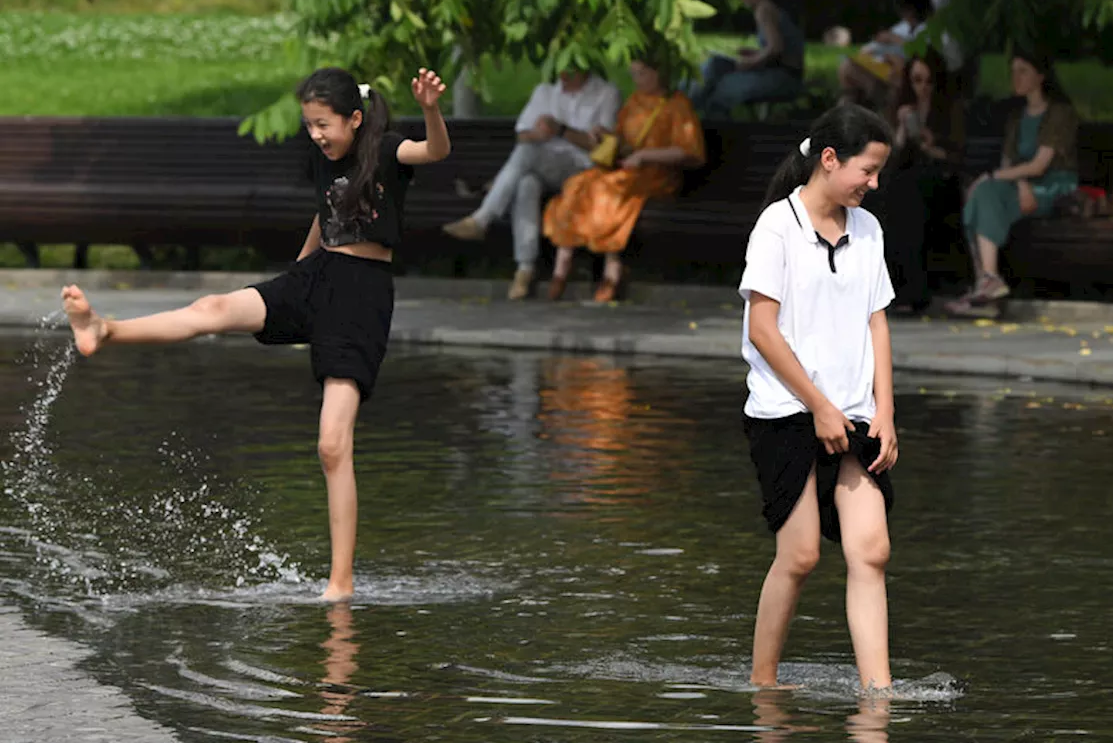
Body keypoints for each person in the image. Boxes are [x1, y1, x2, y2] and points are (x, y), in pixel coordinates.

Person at [59, 66, 452, 602]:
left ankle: (340, 583)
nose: (315, 135)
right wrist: (296, 273)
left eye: (324, 125)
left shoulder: (383, 150)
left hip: (361, 298)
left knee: (332, 445)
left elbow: (434, 152)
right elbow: (327, 212)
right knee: (215, 307)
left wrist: (431, 107)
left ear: (354, 119)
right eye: (308, 125)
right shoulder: (323, 157)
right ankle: (104, 329)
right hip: (315, 277)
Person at [738, 103, 900, 692]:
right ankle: (764, 685)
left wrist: (885, 411)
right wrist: (819, 406)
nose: (874, 184)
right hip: (786, 413)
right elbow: (762, 329)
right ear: (830, 160)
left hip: (856, 412)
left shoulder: (869, 230)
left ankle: (877, 697)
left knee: (871, 549)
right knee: (801, 554)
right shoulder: (776, 227)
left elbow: (876, 321)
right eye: (868, 170)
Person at [441, 70, 621, 300]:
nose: (563, 75)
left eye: (569, 70)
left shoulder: (605, 93)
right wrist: (540, 133)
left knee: (527, 156)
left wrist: (561, 130)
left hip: (582, 170)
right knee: (526, 184)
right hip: (541, 165)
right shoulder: (545, 92)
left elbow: (601, 146)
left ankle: (482, 219)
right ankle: (525, 270)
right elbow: (523, 135)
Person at [542, 52, 705, 303]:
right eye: (634, 74)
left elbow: (691, 153)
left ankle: (612, 271)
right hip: (627, 169)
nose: (637, 80)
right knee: (579, 184)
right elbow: (623, 143)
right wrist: (603, 135)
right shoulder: (635, 101)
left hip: (656, 175)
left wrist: (646, 155)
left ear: (658, 73)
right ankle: (562, 266)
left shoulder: (677, 105)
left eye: (641, 73)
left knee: (609, 190)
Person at [946, 49, 1078, 312]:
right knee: (982, 193)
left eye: (1023, 71)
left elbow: (1039, 165)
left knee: (985, 190)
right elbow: (1012, 164)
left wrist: (993, 176)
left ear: (1040, 76)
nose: (1015, 78)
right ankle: (988, 281)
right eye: (1013, 72)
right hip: (1026, 185)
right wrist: (1020, 184)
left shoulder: (1059, 114)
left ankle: (984, 284)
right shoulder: (1017, 118)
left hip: (1054, 185)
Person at [863, 51, 966, 312]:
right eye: (917, 80)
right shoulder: (899, 107)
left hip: (940, 180)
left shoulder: (949, 110)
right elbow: (888, 157)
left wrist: (932, 145)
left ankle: (912, 291)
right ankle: (892, 288)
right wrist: (900, 129)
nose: (923, 87)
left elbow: (956, 157)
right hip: (905, 178)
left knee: (907, 194)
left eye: (929, 81)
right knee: (889, 194)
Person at [689, 0, 806, 120]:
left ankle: (691, 111)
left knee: (722, 90)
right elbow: (777, 48)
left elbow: (776, 49)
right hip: (785, 73)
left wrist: (750, 62)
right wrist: (753, 53)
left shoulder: (764, 9)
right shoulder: (770, 8)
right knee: (716, 67)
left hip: (786, 78)